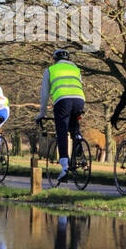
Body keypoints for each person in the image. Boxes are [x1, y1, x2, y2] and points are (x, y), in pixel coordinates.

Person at [36, 48, 86, 182]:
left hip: (62, 101)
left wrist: (42, 113)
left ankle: (64, 167)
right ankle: (79, 142)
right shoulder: (76, 70)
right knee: (74, 126)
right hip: (79, 100)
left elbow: (45, 94)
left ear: (54, 59)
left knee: (62, 131)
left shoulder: (50, 70)